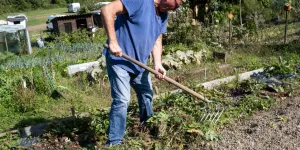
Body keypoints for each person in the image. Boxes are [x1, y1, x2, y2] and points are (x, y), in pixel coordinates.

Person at [100, 0, 184, 146]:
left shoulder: (163, 15)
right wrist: (113, 41)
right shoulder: (140, 2)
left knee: (146, 95)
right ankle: (114, 142)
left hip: (140, 63)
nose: (176, 8)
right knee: (122, 100)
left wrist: (157, 63)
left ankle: (147, 128)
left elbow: (157, 39)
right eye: (177, 3)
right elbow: (107, 10)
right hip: (120, 60)